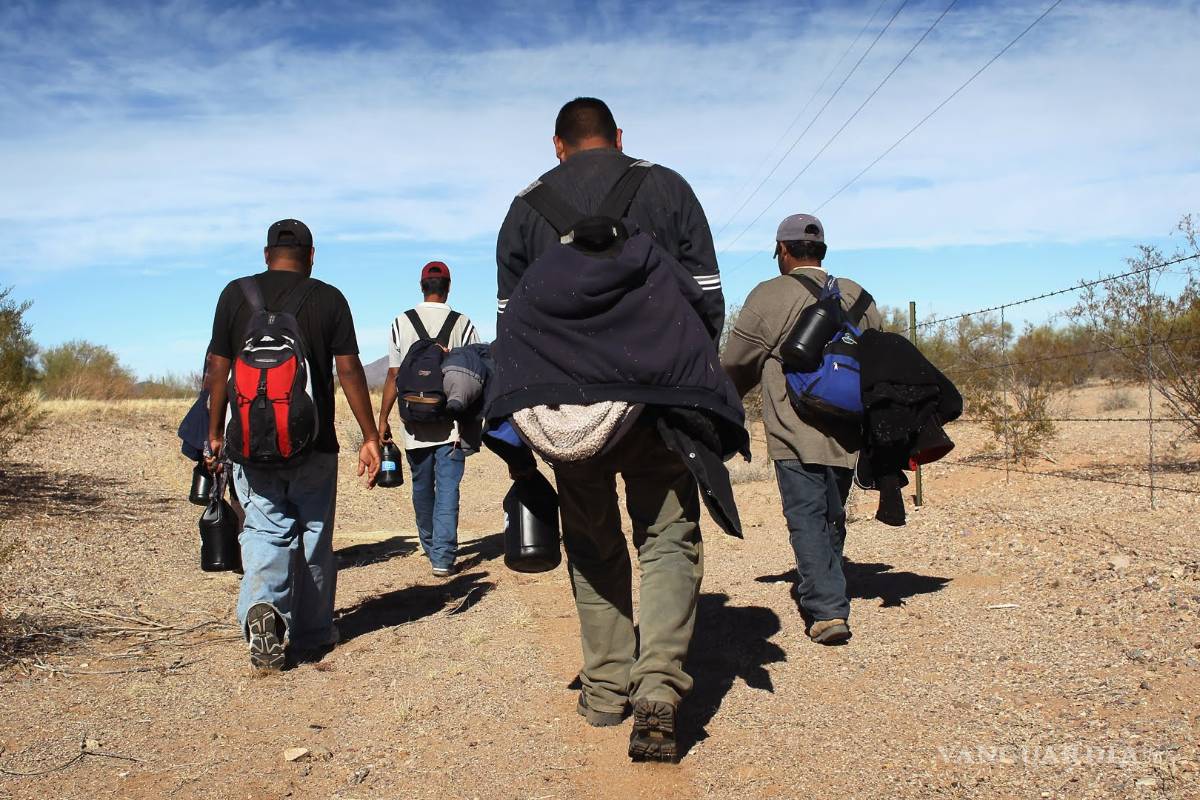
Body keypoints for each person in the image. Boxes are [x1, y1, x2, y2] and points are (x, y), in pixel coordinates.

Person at [494, 97, 734, 762]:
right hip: (658, 401)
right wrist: (683, 377)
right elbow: (707, 300)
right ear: (620, 137)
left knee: (594, 542)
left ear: (557, 146)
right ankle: (657, 687)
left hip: (568, 412)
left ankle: (604, 691)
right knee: (665, 538)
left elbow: (510, 324)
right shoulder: (669, 187)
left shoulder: (525, 208)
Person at [206, 219, 381, 670]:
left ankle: (263, 609)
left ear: (267, 255)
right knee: (314, 534)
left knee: (265, 528)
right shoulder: (329, 298)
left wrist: (213, 431)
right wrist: (369, 435)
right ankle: (312, 631)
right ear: (311, 255)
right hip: (314, 443)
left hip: (247, 441)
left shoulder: (233, 294)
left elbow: (218, 369)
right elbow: (349, 371)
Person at [722, 214, 882, 645]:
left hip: (795, 428)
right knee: (832, 513)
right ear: (822, 252)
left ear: (784, 251)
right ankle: (829, 585)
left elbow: (737, 363)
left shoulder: (770, 296)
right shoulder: (859, 296)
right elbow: (877, 356)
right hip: (849, 428)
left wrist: (721, 401)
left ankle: (828, 610)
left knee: (806, 516)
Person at [377, 260, 479, 578]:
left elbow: (394, 375)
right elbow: (476, 372)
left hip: (413, 424)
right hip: (452, 424)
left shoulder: (401, 321)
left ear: (422, 286)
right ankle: (443, 558)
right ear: (448, 288)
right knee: (448, 488)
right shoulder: (463, 323)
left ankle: (431, 544)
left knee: (422, 486)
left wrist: (382, 419)